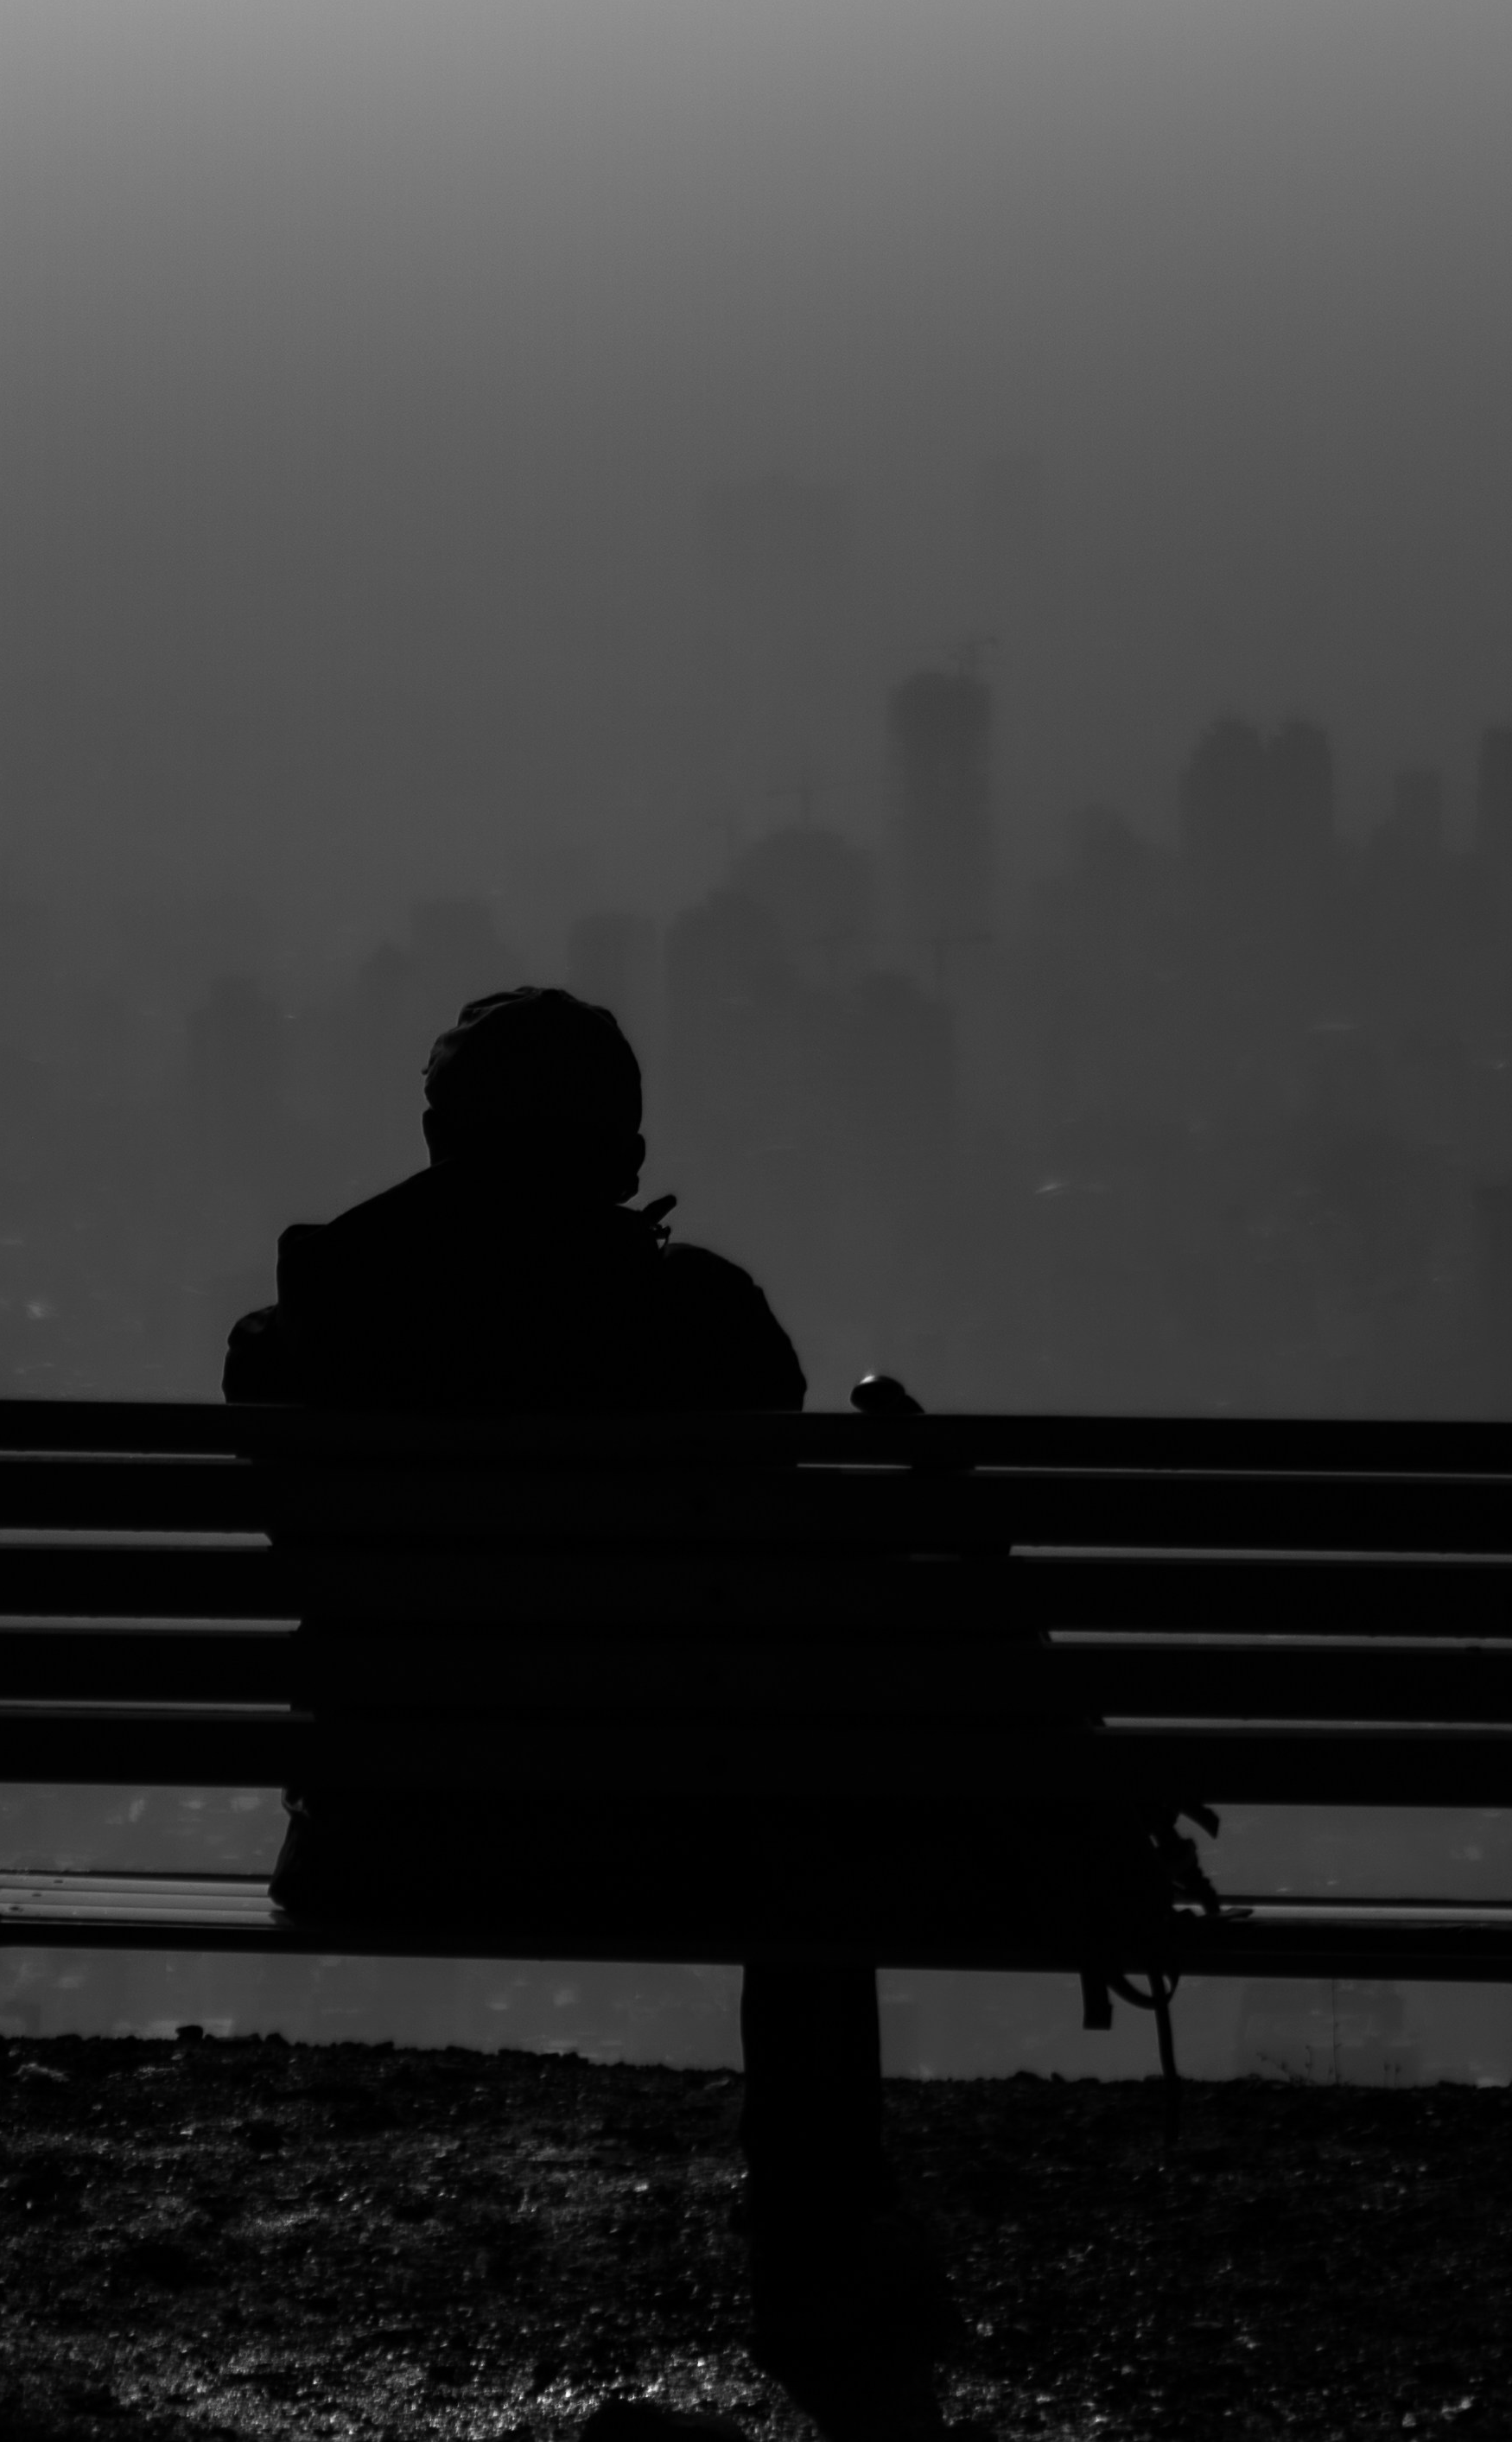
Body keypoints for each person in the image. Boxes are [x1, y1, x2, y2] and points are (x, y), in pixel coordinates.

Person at [222, 983, 936, 2349]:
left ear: (436, 1139)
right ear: (624, 1160)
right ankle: (818, 2233)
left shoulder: (316, 1329)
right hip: (666, 1842)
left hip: (381, 1837)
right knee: (812, 1834)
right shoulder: (708, 1327)